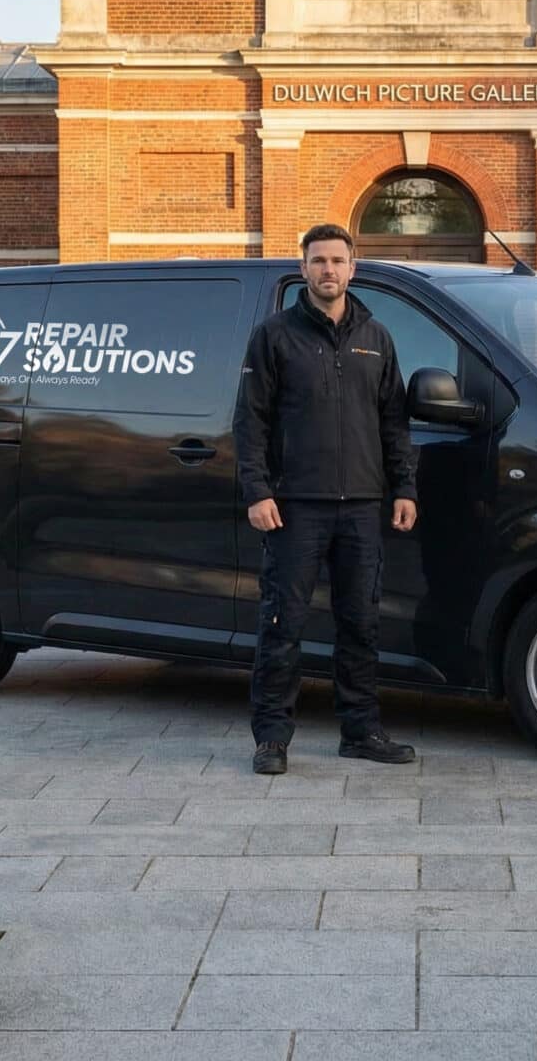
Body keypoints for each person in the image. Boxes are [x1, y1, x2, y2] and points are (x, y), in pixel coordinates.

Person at [233, 224, 420, 774]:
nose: (328, 270)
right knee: (282, 622)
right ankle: (271, 738)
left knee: (360, 622)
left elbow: (394, 422)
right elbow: (251, 421)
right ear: (304, 268)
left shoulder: (377, 338)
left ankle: (360, 731)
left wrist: (404, 487)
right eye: (318, 261)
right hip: (295, 508)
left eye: (338, 260)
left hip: (362, 506)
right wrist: (258, 491)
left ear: (353, 267)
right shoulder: (275, 336)